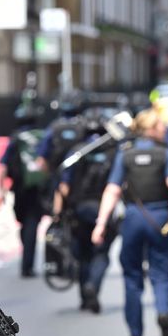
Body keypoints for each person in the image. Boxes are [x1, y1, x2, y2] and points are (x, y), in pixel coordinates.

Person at [92, 109, 168, 336]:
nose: (165, 129)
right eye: (161, 126)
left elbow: (112, 190)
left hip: (133, 217)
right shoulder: (165, 154)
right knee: (162, 271)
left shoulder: (126, 154)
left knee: (132, 274)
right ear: (151, 129)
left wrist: (101, 224)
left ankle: (135, 332)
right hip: (160, 217)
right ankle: (163, 311)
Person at [59, 108, 119, 313]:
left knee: (83, 254)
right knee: (101, 254)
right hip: (103, 210)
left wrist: (60, 211)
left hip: (78, 210)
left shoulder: (76, 152)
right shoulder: (112, 151)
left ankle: (85, 296)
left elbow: (64, 186)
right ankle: (93, 285)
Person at [0, 103, 48, 278]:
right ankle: (28, 263)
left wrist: (1, 191)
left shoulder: (15, 138)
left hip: (20, 189)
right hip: (39, 189)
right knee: (32, 224)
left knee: (25, 223)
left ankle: (26, 261)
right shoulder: (44, 136)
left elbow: (3, 165)